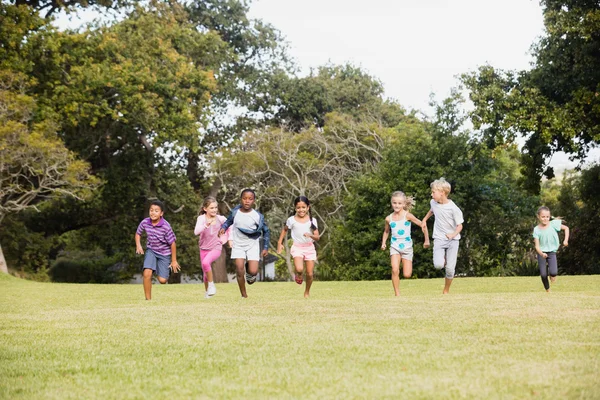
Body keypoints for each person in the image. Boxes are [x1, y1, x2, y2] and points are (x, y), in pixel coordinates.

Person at [219, 189, 270, 298]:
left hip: (252, 244)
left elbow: (266, 231)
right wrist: (223, 228)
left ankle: (249, 268)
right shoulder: (235, 212)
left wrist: (265, 247)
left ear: (254, 201)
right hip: (238, 244)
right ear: (241, 199)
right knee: (239, 268)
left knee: (253, 271)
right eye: (244, 198)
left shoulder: (257, 216)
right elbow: (228, 222)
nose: (247, 201)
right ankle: (244, 295)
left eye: (250, 199)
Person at [381, 191, 430, 296]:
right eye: (394, 203)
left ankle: (404, 275)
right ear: (391, 203)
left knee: (407, 274)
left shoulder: (408, 216)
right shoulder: (388, 218)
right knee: (394, 269)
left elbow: (422, 225)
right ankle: (397, 294)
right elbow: (386, 231)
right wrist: (383, 242)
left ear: (403, 204)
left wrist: (426, 240)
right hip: (395, 247)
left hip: (407, 248)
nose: (396, 205)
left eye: (399, 203)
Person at [421, 178, 463, 294]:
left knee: (450, 269)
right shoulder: (433, 202)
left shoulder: (453, 208)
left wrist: (453, 234)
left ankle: (446, 290)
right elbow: (432, 210)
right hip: (439, 238)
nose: (431, 194)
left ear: (442, 193)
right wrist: (424, 219)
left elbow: (460, 226)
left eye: (433, 192)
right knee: (438, 265)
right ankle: (443, 259)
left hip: (453, 240)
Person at [135, 200, 180, 300]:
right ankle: (148, 300)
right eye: (151, 210)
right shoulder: (145, 222)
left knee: (162, 280)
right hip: (151, 250)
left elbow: (172, 243)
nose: (153, 213)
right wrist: (138, 245)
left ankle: (158, 269)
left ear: (161, 213)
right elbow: (138, 233)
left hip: (165, 254)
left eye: (156, 211)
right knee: (147, 273)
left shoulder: (165, 226)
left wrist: (173, 261)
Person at [277, 196, 320, 298]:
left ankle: (307, 292)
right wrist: (280, 243)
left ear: (308, 207)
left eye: (303, 207)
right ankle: (299, 275)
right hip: (297, 247)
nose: (301, 210)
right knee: (299, 269)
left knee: (309, 274)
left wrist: (310, 235)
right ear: (295, 208)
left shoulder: (312, 220)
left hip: (309, 248)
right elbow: (284, 230)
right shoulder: (291, 220)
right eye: (298, 208)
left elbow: (317, 237)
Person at [194, 196, 230, 298]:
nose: (214, 210)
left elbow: (230, 225)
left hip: (216, 247)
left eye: (215, 207)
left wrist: (228, 239)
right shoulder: (201, 219)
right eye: (211, 208)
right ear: (205, 209)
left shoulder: (220, 218)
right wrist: (205, 225)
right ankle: (208, 293)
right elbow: (196, 232)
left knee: (206, 263)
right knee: (205, 273)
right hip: (203, 248)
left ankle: (211, 285)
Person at [533, 206, 569, 292]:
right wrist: (541, 254)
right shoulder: (536, 229)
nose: (545, 219)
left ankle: (552, 275)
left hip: (552, 252)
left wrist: (565, 240)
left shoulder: (553, 224)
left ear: (549, 216)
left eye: (547, 217)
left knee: (553, 272)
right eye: (543, 217)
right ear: (538, 216)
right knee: (543, 274)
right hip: (541, 252)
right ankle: (547, 289)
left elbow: (566, 228)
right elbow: (537, 246)